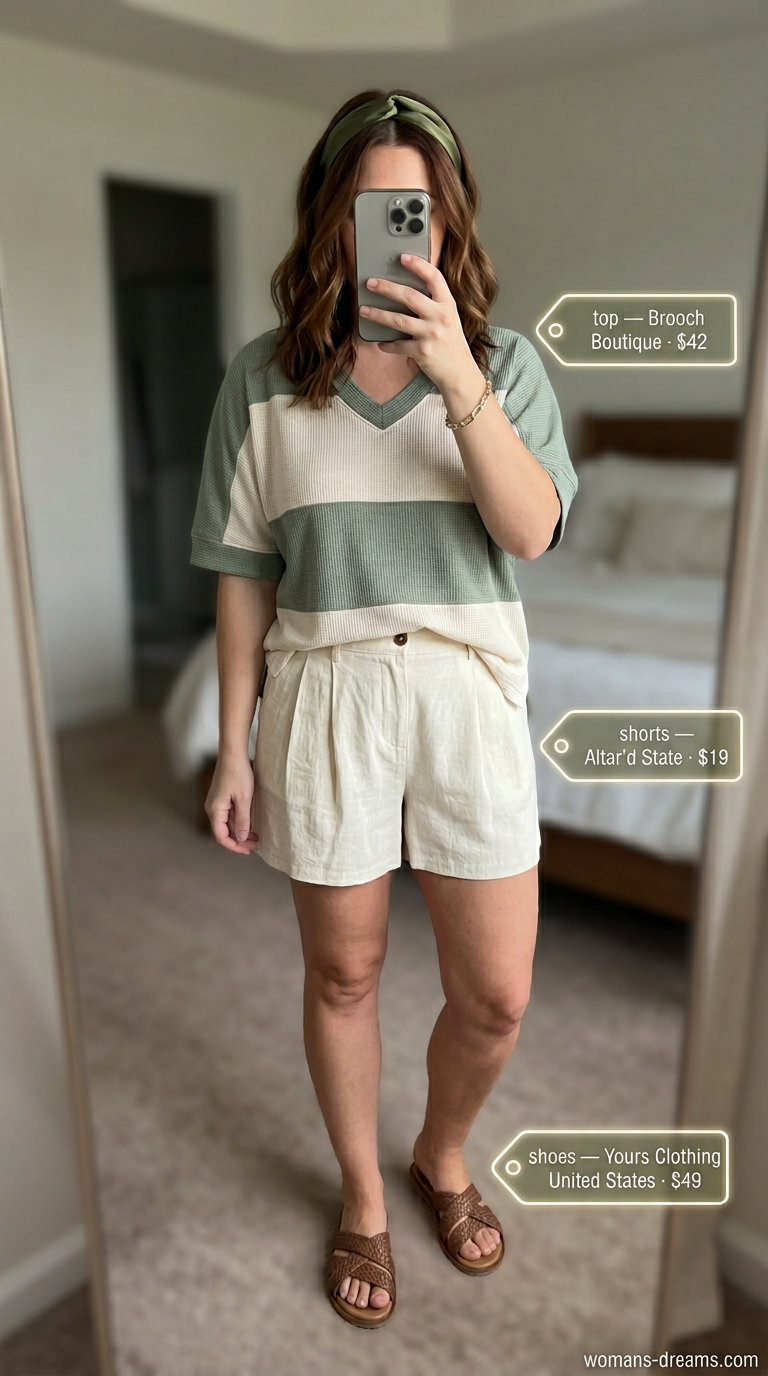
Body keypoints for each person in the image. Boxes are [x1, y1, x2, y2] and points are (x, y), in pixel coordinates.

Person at [189, 88, 578, 1329]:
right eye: (368, 211)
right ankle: (365, 1193)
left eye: (410, 210)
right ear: (327, 218)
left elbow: (528, 532)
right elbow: (247, 574)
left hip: (466, 695)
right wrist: (232, 741)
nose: (391, 233)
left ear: (447, 220)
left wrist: (456, 371)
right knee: (343, 972)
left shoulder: (507, 364)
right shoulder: (262, 381)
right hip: (327, 690)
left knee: (498, 994)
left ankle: (442, 1152)